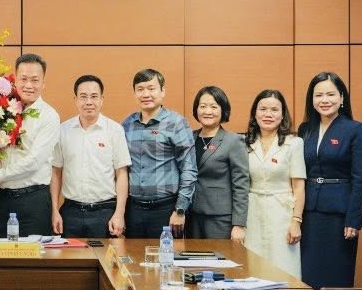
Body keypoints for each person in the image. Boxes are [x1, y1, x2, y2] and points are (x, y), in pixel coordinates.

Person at [296, 72, 362, 290]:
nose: (324, 100)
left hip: (340, 216)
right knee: (309, 276)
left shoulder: (354, 129)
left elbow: (361, 177)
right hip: (309, 213)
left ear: (342, 98)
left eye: (330, 94)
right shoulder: (305, 128)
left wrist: (353, 218)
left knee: (337, 278)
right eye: (319, 95)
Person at [0, 52, 61, 237]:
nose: (28, 85)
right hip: (1, 199)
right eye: (23, 79)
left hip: (33, 201)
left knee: (34, 261)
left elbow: (34, 162)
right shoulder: (4, 110)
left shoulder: (49, 116)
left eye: (34, 80)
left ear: (43, 83)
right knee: (0, 259)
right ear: (15, 81)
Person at [50, 75, 131, 238]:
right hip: (70, 212)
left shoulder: (114, 130)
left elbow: (121, 173)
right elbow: (55, 172)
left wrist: (119, 213)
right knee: (70, 262)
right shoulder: (62, 130)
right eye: (83, 97)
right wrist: (54, 211)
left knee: (105, 262)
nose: (89, 102)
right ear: (75, 99)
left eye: (94, 96)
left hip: (105, 213)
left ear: (102, 99)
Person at [121, 68, 197, 238]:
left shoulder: (176, 123)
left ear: (163, 91)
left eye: (151, 88)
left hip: (166, 209)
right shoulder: (127, 124)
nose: (145, 94)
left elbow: (189, 169)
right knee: (133, 261)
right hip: (133, 209)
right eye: (140, 89)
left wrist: (180, 210)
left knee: (164, 262)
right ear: (135, 93)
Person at [243, 89, 305, 279]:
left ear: (282, 115)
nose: (268, 114)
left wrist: (296, 222)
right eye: (263, 109)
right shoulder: (245, 143)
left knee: (283, 267)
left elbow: (299, 187)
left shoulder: (293, 143)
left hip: (282, 214)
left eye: (274, 110)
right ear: (255, 113)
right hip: (252, 213)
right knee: (253, 267)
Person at [185, 86, 249, 241]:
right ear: (196, 109)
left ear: (223, 110)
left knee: (220, 262)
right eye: (203, 106)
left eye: (214, 107)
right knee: (194, 263)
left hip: (220, 217)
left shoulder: (233, 141)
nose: (207, 111)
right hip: (192, 215)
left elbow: (241, 184)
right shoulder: (188, 138)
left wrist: (239, 224)